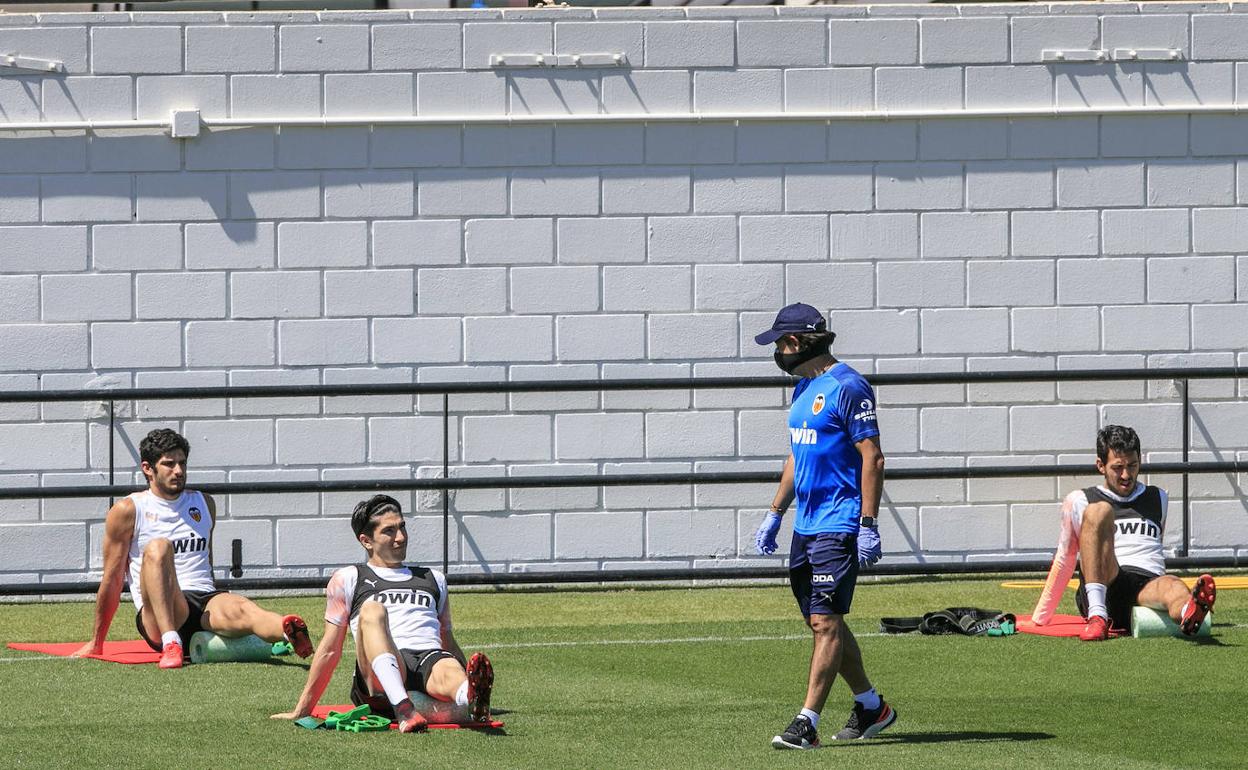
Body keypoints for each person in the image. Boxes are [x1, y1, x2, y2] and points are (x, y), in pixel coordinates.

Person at [752, 302, 895, 750]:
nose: (776, 351)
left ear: (795, 343)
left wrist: (867, 524)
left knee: (825, 621)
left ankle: (806, 722)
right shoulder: (802, 390)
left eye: (778, 343)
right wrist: (775, 513)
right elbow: (798, 456)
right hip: (806, 526)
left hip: (840, 523)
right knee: (823, 623)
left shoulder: (849, 386)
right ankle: (872, 706)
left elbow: (873, 458)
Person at [73, 428, 313, 669]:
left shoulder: (204, 503)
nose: (178, 471)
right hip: (161, 613)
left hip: (204, 600)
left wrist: (221, 600)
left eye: (182, 463)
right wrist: (97, 642)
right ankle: (171, 643)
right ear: (148, 468)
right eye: (169, 464)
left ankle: (287, 631)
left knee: (244, 609)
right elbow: (112, 579)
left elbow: (206, 564)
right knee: (159, 547)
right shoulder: (128, 510)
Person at [272, 494, 493, 733]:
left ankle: (468, 696)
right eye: (389, 531)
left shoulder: (434, 578)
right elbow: (330, 649)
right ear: (367, 541)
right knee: (372, 609)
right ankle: (403, 707)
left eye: (402, 527)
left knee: (447, 667)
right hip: (377, 671)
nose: (401, 537)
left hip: (427, 656)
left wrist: (462, 670)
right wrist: (302, 709)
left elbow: (447, 639)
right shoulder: (349, 578)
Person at [1031, 424, 1216, 641]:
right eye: (1118, 467)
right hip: (1105, 580)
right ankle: (1098, 617)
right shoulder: (1080, 500)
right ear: (1101, 465)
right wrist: (1041, 616)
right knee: (1100, 510)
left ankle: (1189, 612)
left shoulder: (1159, 497)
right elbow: (1065, 559)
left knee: (1173, 585)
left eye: (1133, 465)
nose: (1126, 475)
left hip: (1145, 585)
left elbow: (1155, 546)